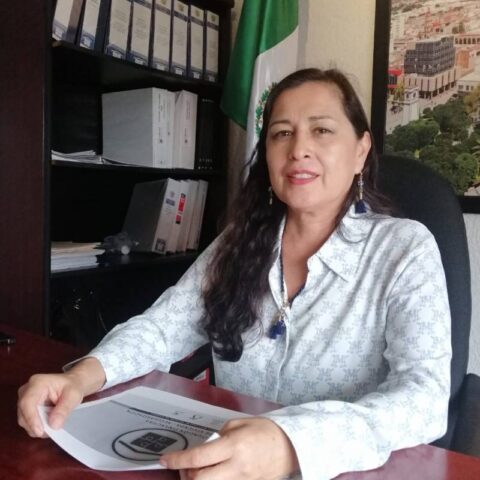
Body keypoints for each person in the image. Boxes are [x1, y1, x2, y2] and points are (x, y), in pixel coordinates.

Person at [17, 68, 451, 480]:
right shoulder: (240, 242)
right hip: (221, 465)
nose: (298, 149)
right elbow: (162, 328)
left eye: (321, 130)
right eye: (282, 133)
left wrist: (291, 444)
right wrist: (82, 376)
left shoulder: (404, 249)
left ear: (360, 150)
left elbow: (424, 398)